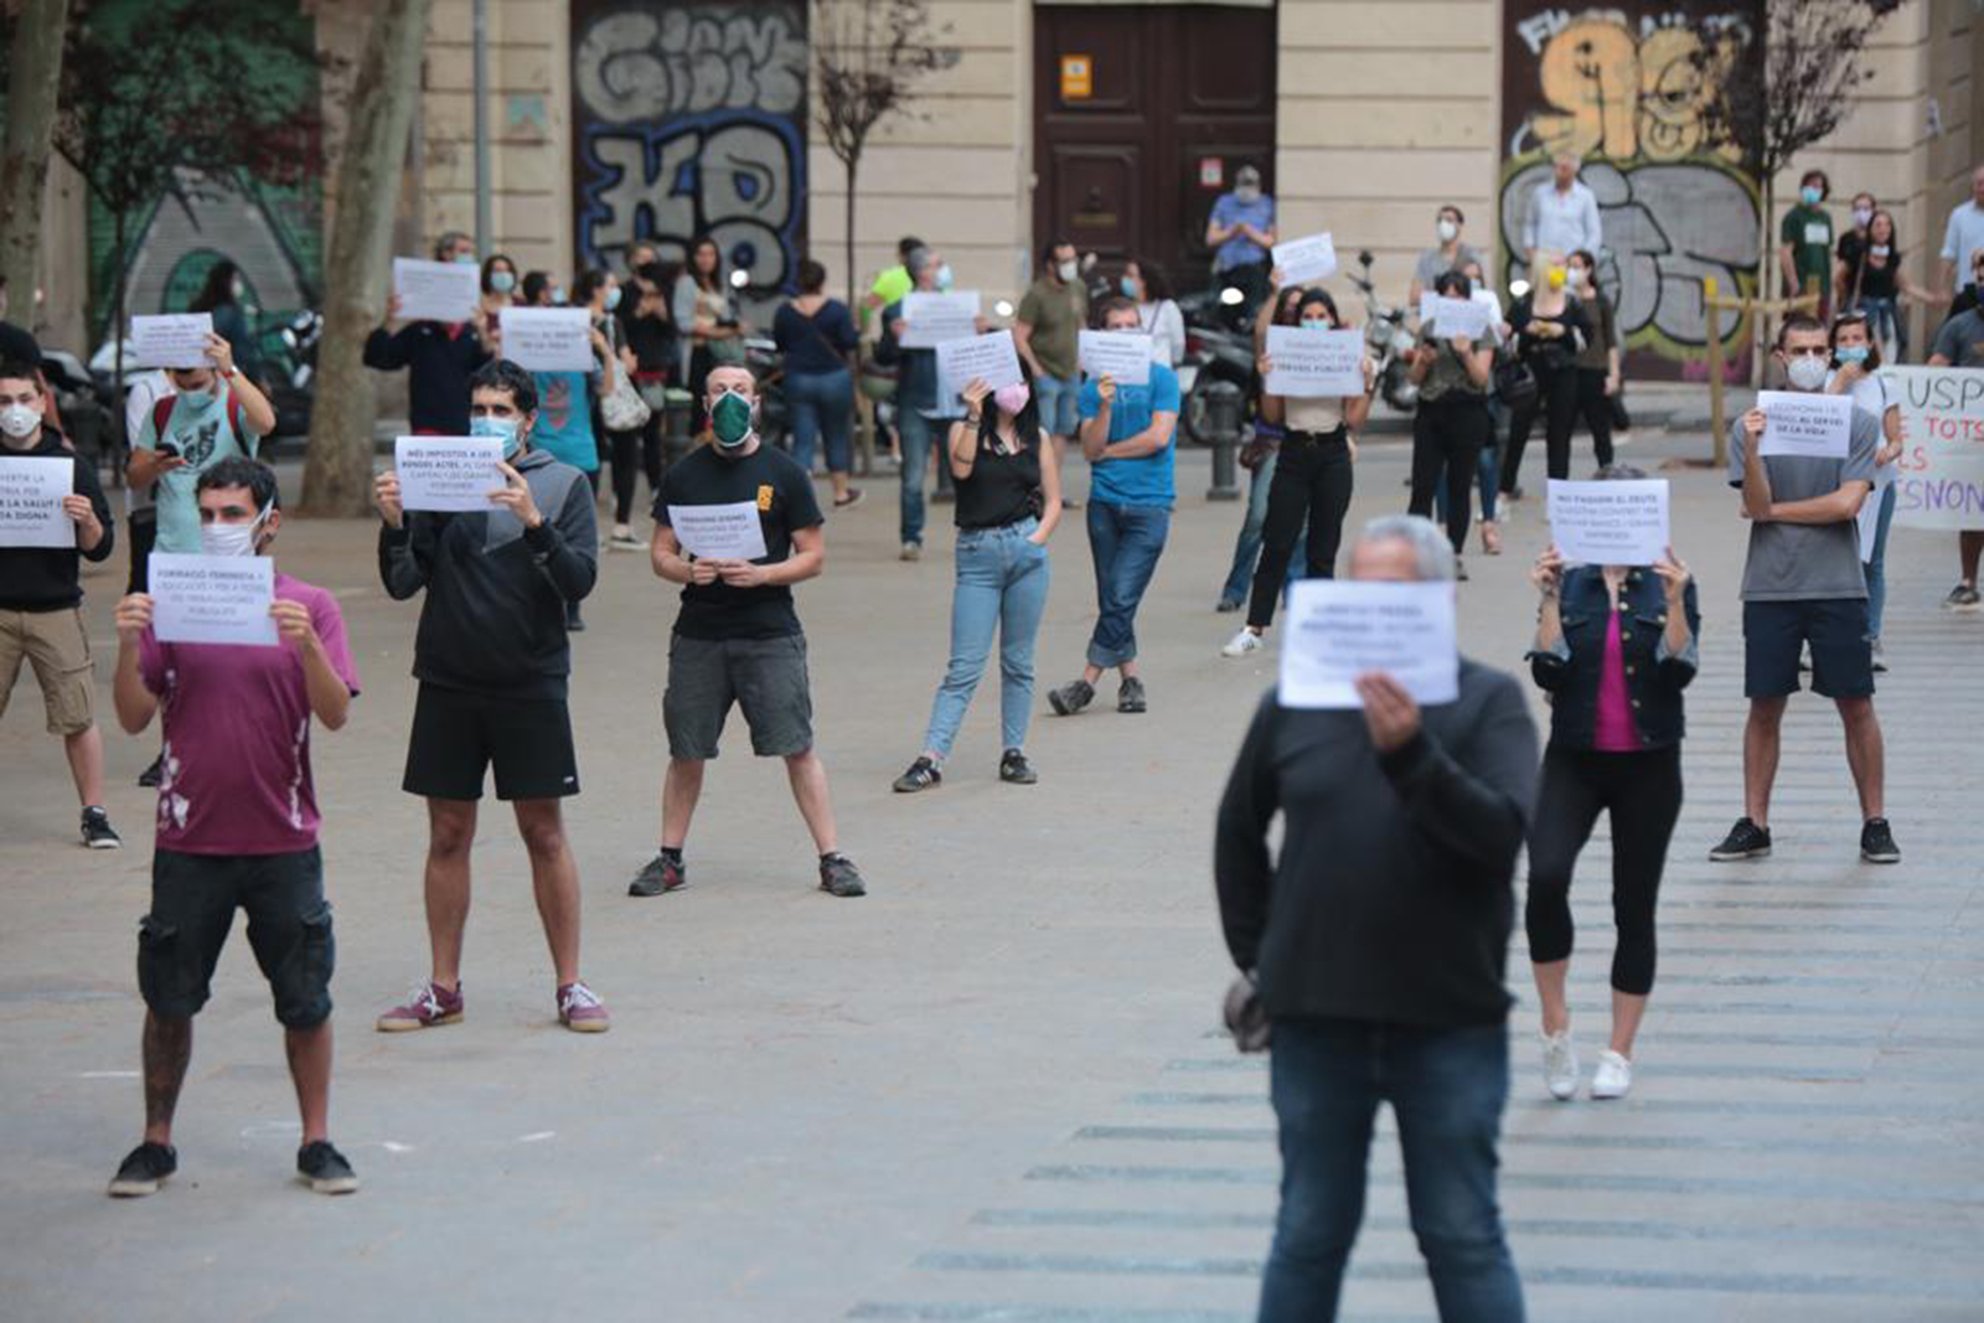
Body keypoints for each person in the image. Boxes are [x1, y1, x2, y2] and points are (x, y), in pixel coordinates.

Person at [1215, 514, 1538, 1323]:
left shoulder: (1486, 703)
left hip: (1449, 1020)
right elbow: (1236, 830)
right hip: (1319, 1020)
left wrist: (1412, 755)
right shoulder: (1295, 702)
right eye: (1356, 591)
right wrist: (1267, 960)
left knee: (1461, 1233)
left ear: (1437, 600)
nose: (1370, 609)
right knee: (1310, 1230)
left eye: (1391, 595)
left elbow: (1502, 836)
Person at [105, 457, 361, 1198]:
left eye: (233, 514)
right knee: (169, 996)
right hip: (189, 839)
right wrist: (127, 644)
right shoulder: (172, 602)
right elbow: (130, 716)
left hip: (284, 835)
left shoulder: (309, 604)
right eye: (208, 514)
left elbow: (337, 713)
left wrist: (307, 642)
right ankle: (156, 1141)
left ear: (269, 522)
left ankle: (316, 1139)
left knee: (306, 997)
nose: (218, 527)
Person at [372, 359, 610, 1034]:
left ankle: (570, 984)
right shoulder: (437, 482)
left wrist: (535, 521)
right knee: (447, 833)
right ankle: (442, 987)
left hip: (530, 681)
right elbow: (401, 582)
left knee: (544, 832)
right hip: (447, 678)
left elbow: (579, 581)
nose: (489, 420)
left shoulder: (564, 484)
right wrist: (395, 522)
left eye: (502, 410)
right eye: (480, 407)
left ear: (529, 419)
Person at [628, 364, 868, 901]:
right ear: (704, 405)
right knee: (687, 749)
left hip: (769, 632)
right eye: (719, 390)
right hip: (699, 632)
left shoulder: (783, 473)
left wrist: (762, 574)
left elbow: (814, 556)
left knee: (797, 746)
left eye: (740, 390)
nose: (730, 398)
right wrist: (689, 572)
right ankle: (670, 858)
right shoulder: (684, 474)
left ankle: (833, 858)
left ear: (757, 403)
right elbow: (661, 553)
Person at [1525, 478, 1699, 1103]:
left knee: (1635, 904)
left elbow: (1679, 669)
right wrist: (1547, 600)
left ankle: (1619, 1051)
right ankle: (1555, 1028)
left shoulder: (1667, 580)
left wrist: (1676, 602)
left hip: (1649, 764)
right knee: (1545, 876)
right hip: (1574, 757)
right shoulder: (1569, 581)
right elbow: (1548, 665)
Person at [1711, 314, 1897, 866]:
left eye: (1822, 349)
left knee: (1856, 703)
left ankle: (1875, 821)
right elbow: (1753, 500)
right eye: (1802, 349)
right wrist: (1753, 449)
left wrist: (1775, 514)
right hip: (1770, 586)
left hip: (1839, 583)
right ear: (1780, 355)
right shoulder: (1751, 426)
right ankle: (1754, 821)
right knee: (1764, 705)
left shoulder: (1858, 425)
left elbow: (1847, 504)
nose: (1814, 359)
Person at [892, 366, 1062, 793]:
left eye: (1022, 383)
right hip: (977, 556)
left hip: (1026, 550)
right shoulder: (963, 430)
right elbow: (961, 471)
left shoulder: (1035, 437)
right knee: (964, 666)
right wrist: (971, 414)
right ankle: (931, 757)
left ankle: (1014, 751)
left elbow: (1055, 500)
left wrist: (1036, 541)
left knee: (1019, 661)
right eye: (1007, 382)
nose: (1015, 391)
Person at [0, 360, 120, 847]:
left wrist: (87, 519)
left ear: (42, 402)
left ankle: (94, 813)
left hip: (55, 609)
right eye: (4, 402)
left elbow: (101, 546)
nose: (15, 411)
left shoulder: (70, 467)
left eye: (24, 400)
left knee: (78, 714)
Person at [1046, 297, 1180, 716]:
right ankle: (1131, 680)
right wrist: (1104, 406)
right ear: (1102, 336)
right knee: (1113, 597)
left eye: (1133, 325)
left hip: (1150, 504)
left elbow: (1158, 438)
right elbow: (1089, 447)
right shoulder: (1092, 388)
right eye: (1117, 327)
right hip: (1104, 505)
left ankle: (1086, 682)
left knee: (1122, 593)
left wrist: (1109, 451)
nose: (1127, 333)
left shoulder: (1162, 379)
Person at [1223, 289, 1372, 657]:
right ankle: (1254, 627)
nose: (1316, 322)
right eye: (1309, 315)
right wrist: (1267, 378)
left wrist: (1366, 381)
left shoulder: (1344, 354)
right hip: (1293, 451)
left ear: (1334, 321)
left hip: (1333, 452)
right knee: (1277, 540)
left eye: (1323, 316)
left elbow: (1354, 419)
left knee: (1324, 546)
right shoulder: (1286, 354)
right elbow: (1272, 415)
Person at [127, 332, 274, 555]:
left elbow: (266, 423)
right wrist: (154, 466)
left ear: (215, 371)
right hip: (171, 550)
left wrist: (230, 369)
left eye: (198, 385)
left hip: (229, 550)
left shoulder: (235, 406)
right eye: (182, 386)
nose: (190, 393)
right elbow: (134, 478)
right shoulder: (161, 411)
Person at [530, 269, 619, 626]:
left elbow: (607, 389)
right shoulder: (530, 361)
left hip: (582, 455)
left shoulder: (585, 360)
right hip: (540, 453)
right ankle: (546, 599)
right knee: (538, 531)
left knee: (575, 533)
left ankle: (572, 604)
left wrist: (602, 349)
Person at [1217, 285, 1311, 613]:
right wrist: (1273, 288)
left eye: (1300, 306)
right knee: (1258, 516)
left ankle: (1294, 588)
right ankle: (1236, 587)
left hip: (1305, 439)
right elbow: (1260, 330)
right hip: (1272, 441)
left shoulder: (1318, 345)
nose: (1292, 311)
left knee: (1300, 523)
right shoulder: (1272, 345)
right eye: (1288, 305)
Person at [876, 245, 973, 560]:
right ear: (921, 272)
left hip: (954, 401)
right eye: (937, 265)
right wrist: (894, 337)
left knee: (965, 471)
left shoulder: (957, 306)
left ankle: (971, 533)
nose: (943, 269)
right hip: (916, 400)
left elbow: (970, 349)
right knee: (914, 476)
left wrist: (980, 330)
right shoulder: (897, 310)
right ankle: (911, 538)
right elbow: (883, 357)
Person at [1405, 272, 1496, 573]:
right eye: (1447, 296)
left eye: (1458, 296)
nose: (1453, 301)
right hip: (1432, 411)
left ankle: (1454, 552)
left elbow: (1481, 378)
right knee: (1423, 486)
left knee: (1460, 485)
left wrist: (1466, 352)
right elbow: (1415, 380)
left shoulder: (1481, 328)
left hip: (1467, 411)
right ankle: (1417, 554)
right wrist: (1423, 361)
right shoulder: (1429, 327)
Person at [363, 233, 494, 436]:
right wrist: (390, 320)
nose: (468, 257)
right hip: (428, 428)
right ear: (445, 255)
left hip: (469, 427)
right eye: (464, 251)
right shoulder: (420, 331)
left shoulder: (472, 332)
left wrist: (483, 331)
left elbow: (487, 370)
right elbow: (378, 358)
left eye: (470, 252)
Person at [1829, 312, 1903, 669]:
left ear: (1869, 343)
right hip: (1836, 483)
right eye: (1842, 340)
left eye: (1856, 338)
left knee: (1872, 562)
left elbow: (1896, 438)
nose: (1850, 346)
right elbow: (1820, 424)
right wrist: (1839, 383)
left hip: (1879, 483)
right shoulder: (1827, 380)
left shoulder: (1883, 383)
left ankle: (1870, 638)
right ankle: (1826, 640)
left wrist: (1887, 451)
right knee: (1834, 560)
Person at [774, 257, 863, 508]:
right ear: (822, 282)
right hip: (834, 378)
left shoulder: (785, 311)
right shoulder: (837, 309)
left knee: (803, 438)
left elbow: (779, 344)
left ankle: (800, 497)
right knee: (835, 435)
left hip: (798, 378)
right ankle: (841, 493)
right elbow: (849, 342)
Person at [1498, 261, 1591, 496]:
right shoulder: (1524, 303)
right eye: (1555, 265)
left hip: (1563, 372)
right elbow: (1508, 339)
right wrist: (1526, 332)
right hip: (1530, 370)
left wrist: (1564, 332)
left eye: (1564, 265)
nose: (1560, 271)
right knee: (1518, 430)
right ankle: (1505, 487)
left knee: (1559, 433)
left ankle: (1558, 491)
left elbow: (1586, 338)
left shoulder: (1572, 302)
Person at [1015, 237, 1090, 502]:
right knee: (1043, 433)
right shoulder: (1036, 294)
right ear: (1049, 265)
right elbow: (1020, 335)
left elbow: (1081, 323)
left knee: (1063, 431)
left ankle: (1052, 488)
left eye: (1073, 259)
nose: (1071, 265)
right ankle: (1036, 488)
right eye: (1064, 260)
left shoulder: (1077, 287)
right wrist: (1036, 369)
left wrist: (1085, 358)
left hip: (1071, 372)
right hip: (1046, 373)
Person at [1925, 283, 1984, 610]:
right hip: (1972, 437)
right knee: (1974, 510)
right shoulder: (1959, 326)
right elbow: (1936, 369)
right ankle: (1968, 581)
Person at [611, 260, 680, 544]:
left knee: (653, 433)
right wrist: (640, 312)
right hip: (630, 373)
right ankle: (622, 494)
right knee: (627, 437)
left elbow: (671, 332)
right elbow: (620, 328)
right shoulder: (625, 295)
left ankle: (655, 486)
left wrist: (662, 312)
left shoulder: (664, 295)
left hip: (654, 372)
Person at [1839, 210, 1937, 365]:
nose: (1882, 229)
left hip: (1888, 312)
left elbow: (1905, 285)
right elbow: (1839, 278)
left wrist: (1932, 299)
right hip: (1865, 312)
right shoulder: (1859, 254)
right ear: (1870, 229)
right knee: (1869, 352)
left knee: (1892, 350)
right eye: (1878, 225)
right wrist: (1846, 299)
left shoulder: (1893, 257)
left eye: (1887, 225)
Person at [674, 235, 747, 415]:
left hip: (720, 354)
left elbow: (726, 314)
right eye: (701, 255)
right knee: (700, 403)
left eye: (711, 254)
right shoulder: (687, 283)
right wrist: (718, 333)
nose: (706, 260)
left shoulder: (719, 284)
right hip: (697, 352)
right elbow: (683, 323)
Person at [1565, 248, 1621, 477]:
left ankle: (1606, 470)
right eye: (1570, 266)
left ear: (1588, 269)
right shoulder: (1565, 300)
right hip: (1568, 371)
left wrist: (1614, 374)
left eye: (1577, 266)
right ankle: (1561, 479)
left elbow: (1611, 341)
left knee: (1600, 428)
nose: (1572, 271)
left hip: (1595, 370)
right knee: (1563, 428)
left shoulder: (1601, 301)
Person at [1205, 164, 1276, 315]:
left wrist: (1249, 232)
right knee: (1220, 310)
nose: (1246, 190)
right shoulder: (1224, 202)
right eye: (1243, 184)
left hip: (1253, 269)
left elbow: (1271, 241)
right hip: (1227, 268)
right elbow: (1211, 238)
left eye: (1250, 185)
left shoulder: (1267, 204)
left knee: (1253, 311)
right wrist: (1232, 232)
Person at [187, 260, 264, 388]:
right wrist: (258, 379)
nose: (239, 284)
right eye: (236, 279)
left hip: (197, 379)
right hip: (227, 379)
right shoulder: (231, 312)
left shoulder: (197, 307)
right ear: (226, 282)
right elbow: (243, 351)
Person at [1522, 152, 1602, 266]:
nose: (1558, 172)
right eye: (1556, 167)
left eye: (1564, 168)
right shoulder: (1540, 194)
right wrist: (1530, 250)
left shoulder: (1585, 196)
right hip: (1544, 261)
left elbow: (1594, 233)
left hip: (1573, 263)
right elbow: (1530, 223)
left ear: (1574, 170)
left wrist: (1582, 259)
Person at [1780, 169, 1835, 317]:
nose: (1813, 190)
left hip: (1822, 286)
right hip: (1801, 284)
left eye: (1817, 186)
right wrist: (1793, 282)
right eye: (1809, 186)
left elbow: (1826, 251)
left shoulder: (1825, 218)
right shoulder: (1794, 216)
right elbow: (1786, 252)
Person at [1408, 204, 1484, 309]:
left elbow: (1476, 294)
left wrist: (1432, 294)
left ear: (1459, 225)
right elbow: (1414, 297)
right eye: (1440, 220)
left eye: (1449, 220)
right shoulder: (1427, 258)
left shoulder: (1470, 255)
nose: (1443, 224)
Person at [1121, 257, 1186, 368]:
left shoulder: (1168, 307)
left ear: (1144, 281)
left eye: (1130, 276)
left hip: (1160, 372)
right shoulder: (1124, 307)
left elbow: (1178, 345)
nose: (1124, 279)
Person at [1938, 163, 1984, 302]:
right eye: (1979, 184)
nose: (1982, 188)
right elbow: (1949, 253)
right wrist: (1942, 288)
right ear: (1973, 187)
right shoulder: (1959, 215)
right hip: (1967, 293)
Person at [860, 234, 924, 332]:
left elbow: (866, 308)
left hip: (896, 332)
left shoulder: (890, 276)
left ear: (902, 256)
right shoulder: (933, 276)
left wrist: (865, 332)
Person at [1832, 191, 1877, 312]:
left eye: (1866, 209)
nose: (1861, 213)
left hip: (1875, 295)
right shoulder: (1847, 239)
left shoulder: (1878, 238)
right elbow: (1840, 270)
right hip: (1853, 295)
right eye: (1857, 209)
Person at [478, 252, 520, 337]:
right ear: (488, 276)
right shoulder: (477, 305)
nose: (504, 275)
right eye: (498, 271)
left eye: (507, 271)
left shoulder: (521, 304)